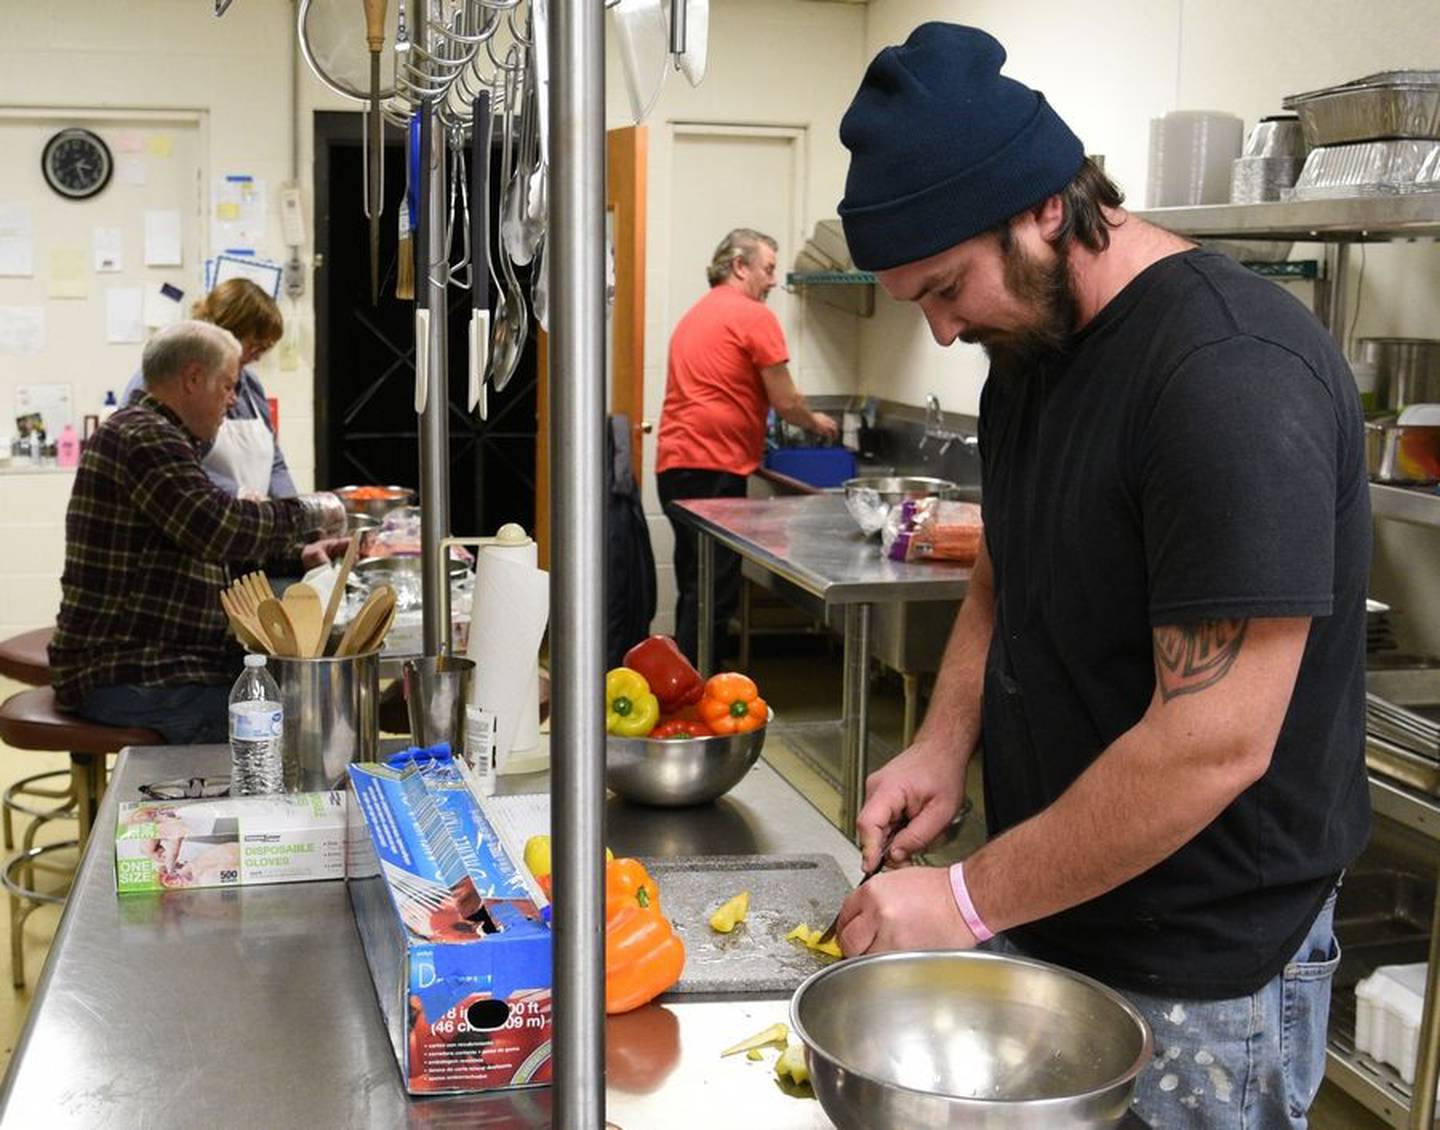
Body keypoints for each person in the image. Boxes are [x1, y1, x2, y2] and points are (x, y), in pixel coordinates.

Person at [829, 24, 1370, 1129]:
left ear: (1043, 207)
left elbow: (1208, 742)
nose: (941, 329)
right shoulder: (1029, 353)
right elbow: (1005, 566)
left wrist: (965, 897)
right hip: (1057, 909)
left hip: (1205, 965)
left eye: (946, 287)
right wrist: (944, 741)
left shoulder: (1226, 375)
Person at [50, 320, 347, 745]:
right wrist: (317, 510)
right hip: (125, 670)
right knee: (293, 724)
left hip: (163, 658)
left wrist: (297, 557)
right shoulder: (143, 437)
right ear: (193, 379)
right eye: (227, 387)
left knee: (293, 692)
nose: (231, 401)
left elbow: (209, 542)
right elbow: (219, 529)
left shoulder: (165, 438)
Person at [655, 228, 840, 663]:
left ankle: (685, 686)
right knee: (713, 593)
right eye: (769, 268)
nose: (774, 280)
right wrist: (817, 423)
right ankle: (699, 699)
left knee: (695, 585)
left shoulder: (699, 313)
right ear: (741, 266)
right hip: (714, 468)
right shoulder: (753, 315)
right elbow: (785, 400)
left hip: (677, 466)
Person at [123, 278, 296, 500]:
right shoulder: (160, 381)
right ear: (227, 331)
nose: (259, 355)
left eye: (266, 348)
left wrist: (294, 509)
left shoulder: (251, 386)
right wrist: (236, 494)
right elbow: (163, 462)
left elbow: (275, 461)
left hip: (245, 521)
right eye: (255, 344)